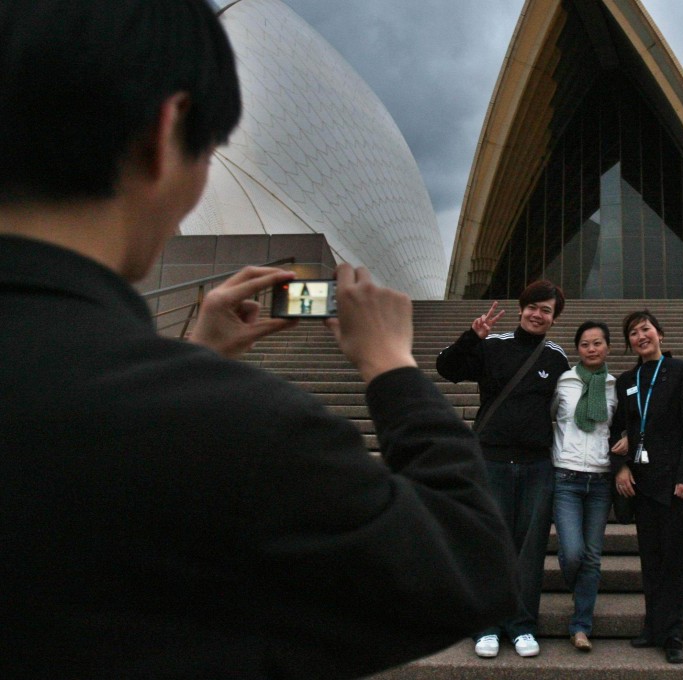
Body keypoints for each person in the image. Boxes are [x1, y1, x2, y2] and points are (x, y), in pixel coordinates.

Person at [0, 2, 518, 678]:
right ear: (165, 133)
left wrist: (187, 363)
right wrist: (391, 364)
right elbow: (469, 568)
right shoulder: (241, 429)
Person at [436, 282, 570, 658]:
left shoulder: (556, 358)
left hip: (536, 465)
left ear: (554, 318)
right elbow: (447, 368)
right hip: (490, 460)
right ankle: (487, 626)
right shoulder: (493, 344)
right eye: (533, 307)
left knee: (529, 549)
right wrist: (471, 337)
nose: (537, 314)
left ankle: (522, 624)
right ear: (521, 308)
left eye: (546, 310)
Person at [610, 310, 683, 665]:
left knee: (674, 560)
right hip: (642, 483)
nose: (640, 336)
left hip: (674, 482)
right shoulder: (626, 380)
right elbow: (616, 429)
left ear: (660, 333)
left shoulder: (680, 372)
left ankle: (673, 632)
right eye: (633, 333)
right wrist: (619, 468)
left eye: (645, 329)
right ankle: (652, 626)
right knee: (651, 559)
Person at [550, 321, 618, 652]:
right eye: (585, 344)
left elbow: (622, 427)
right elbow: (545, 418)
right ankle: (579, 590)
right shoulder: (563, 381)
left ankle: (581, 626)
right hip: (566, 477)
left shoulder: (614, 386)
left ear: (608, 347)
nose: (591, 349)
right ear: (577, 349)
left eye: (597, 343)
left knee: (591, 557)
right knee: (573, 552)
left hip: (601, 479)